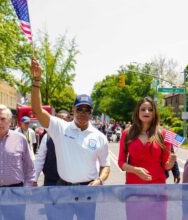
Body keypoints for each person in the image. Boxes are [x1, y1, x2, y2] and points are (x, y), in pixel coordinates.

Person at [31, 58, 110, 220]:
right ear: (73, 110)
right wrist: (37, 80)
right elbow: (37, 110)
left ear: (91, 113)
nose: (82, 113)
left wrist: (100, 180)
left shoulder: (100, 137)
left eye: (87, 110)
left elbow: (105, 165)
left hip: (87, 192)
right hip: (63, 190)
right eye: (79, 109)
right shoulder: (60, 127)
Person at [117, 96, 176, 220]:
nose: (147, 112)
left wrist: (170, 163)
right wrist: (135, 170)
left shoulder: (164, 133)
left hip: (157, 187)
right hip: (134, 187)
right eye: (143, 109)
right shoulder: (126, 133)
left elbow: (166, 165)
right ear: (137, 112)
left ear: (154, 113)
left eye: (150, 109)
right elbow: (121, 162)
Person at [33, 110, 72, 186]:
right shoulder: (47, 137)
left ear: (69, 120)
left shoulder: (75, 136)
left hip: (70, 182)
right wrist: (34, 179)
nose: (61, 121)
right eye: (59, 118)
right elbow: (40, 159)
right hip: (51, 181)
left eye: (64, 118)